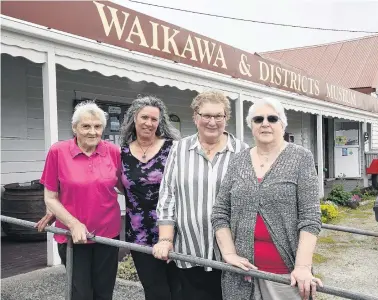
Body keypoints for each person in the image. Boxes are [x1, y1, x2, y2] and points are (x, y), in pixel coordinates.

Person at [211, 97, 324, 300]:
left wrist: (302, 267)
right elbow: (220, 212)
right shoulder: (238, 161)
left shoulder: (301, 158)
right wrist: (229, 254)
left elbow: (310, 218)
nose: (265, 123)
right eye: (258, 119)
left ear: (282, 124)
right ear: (251, 126)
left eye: (272, 118)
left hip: (284, 274)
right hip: (241, 273)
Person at [153, 90, 248, 300]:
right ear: (196, 117)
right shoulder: (179, 149)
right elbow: (167, 196)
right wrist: (166, 239)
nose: (212, 122)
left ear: (226, 119)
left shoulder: (242, 151)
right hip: (189, 249)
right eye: (206, 115)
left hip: (231, 252)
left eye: (218, 116)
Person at [36, 101, 121, 300]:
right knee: (80, 293)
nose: (93, 132)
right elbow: (50, 197)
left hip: (107, 235)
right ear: (75, 128)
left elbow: (126, 187)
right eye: (86, 126)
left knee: (104, 292)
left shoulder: (114, 152)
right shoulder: (58, 152)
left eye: (98, 126)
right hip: (72, 237)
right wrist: (71, 222)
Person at [119, 95, 182, 300]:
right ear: (134, 119)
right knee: (154, 291)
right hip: (138, 234)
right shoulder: (122, 153)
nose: (149, 123)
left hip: (172, 230)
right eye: (144, 117)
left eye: (154, 119)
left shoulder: (173, 149)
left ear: (160, 122)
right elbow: (119, 185)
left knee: (178, 288)